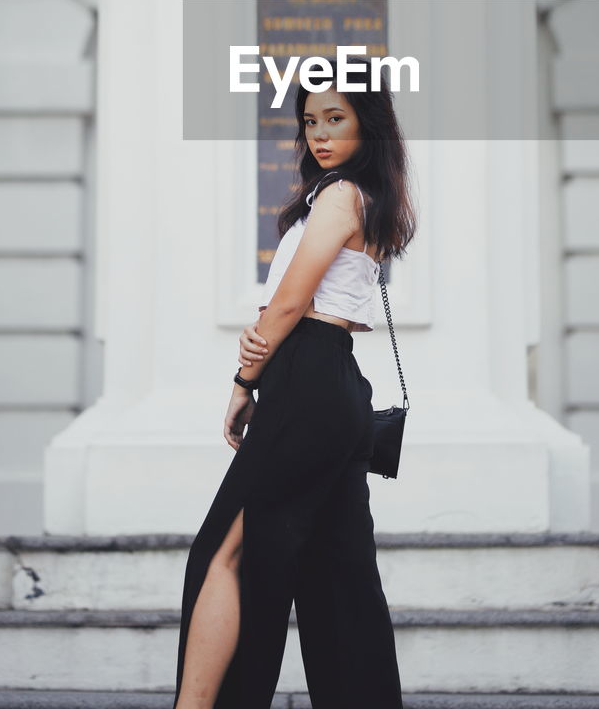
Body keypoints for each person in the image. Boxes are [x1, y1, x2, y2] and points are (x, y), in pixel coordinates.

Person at [171, 56, 416, 708]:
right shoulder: (366, 197)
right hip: (331, 381)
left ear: (368, 122)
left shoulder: (340, 196)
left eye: (335, 118)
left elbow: (286, 304)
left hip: (307, 374)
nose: (319, 133)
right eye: (310, 120)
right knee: (340, 578)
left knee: (221, 553)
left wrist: (244, 379)